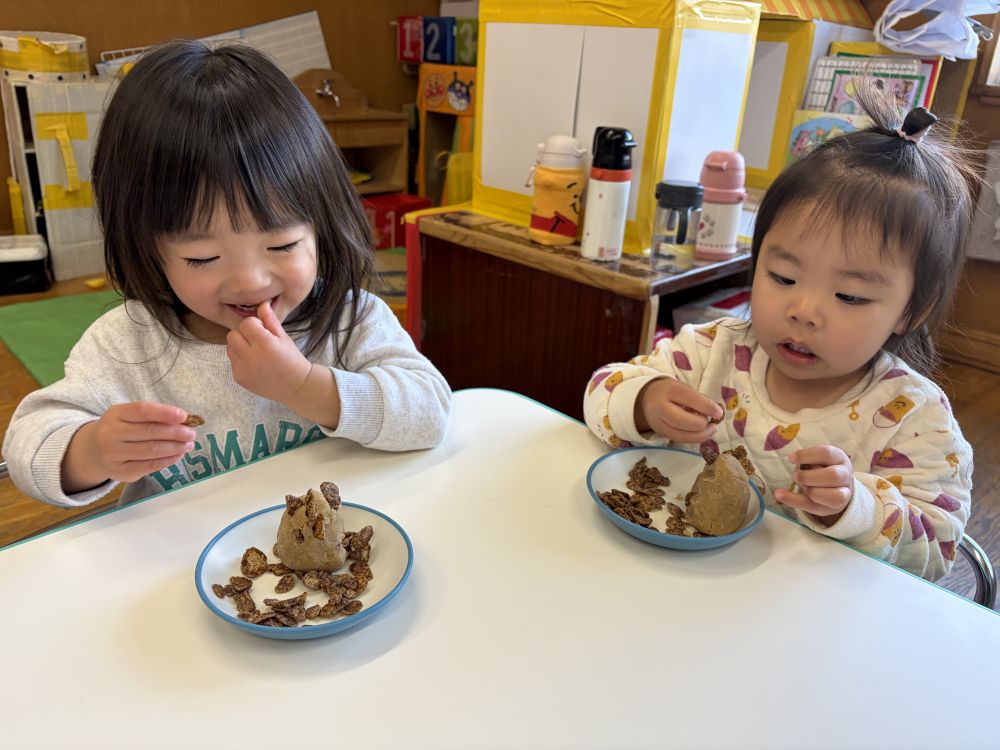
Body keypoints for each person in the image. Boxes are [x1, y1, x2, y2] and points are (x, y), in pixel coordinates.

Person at [3, 41, 451, 508]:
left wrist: (303, 386)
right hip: (183, 565)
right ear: (147, 248)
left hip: (325, 564)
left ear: (322, 224)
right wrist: (90, 451)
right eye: (201, 257)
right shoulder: (129, 344)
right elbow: (28, 442)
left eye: (282, 245)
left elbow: (431, 413)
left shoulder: (348, 319)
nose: (251, 282)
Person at [583, 88, 978, 581]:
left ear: (911, 311)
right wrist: (644, 401)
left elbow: (937, 551)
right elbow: (602, 390)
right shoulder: (710, 352)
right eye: (783, 278)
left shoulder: (912, 418)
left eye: (850, 297)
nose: (804, 311)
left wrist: (855, 509)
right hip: (675, 581)